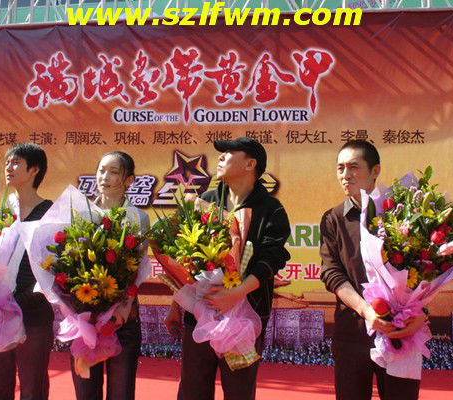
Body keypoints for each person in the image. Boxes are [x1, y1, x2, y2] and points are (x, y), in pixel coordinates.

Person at [164, 137, 291, 400]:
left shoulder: (271, 209)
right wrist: (176, 306)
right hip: (199, 312)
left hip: (245, 317)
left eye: (229, 153)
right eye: (221, 153)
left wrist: (235, 294)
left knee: (238, 392)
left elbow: (271, 260)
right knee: (192, 390)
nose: (220, 157)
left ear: (250, 164)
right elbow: (185, 261)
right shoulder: (205, 201)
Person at [319, 140, 427, 400]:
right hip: (352, 334)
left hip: (401, 331)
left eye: (354, 167)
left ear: (375, 170)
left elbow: (425, 270)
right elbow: (332, 273)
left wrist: (421, 313)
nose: (346, 175)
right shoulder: (333, 219)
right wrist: (366, 311)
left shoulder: (401, 216)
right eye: (340, 168)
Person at [71, 151, 149, 400]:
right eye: (101, 170)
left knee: (121, 392)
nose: (104, 177)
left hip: (122, 318)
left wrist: (124, 306)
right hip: (86, 317)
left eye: (113, 172)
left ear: (129, 180)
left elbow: (137, 268)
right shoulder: (81, 214)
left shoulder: (138, 218)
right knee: (86, 392)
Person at [0, 142, 54, 400]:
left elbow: (52, 267)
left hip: (33, 311)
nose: (9, 168)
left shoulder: (50, 214)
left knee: (32, 387)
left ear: (34, 169)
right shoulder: (0, 213)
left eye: (16, 163)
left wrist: (20, 300)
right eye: (7, 163)